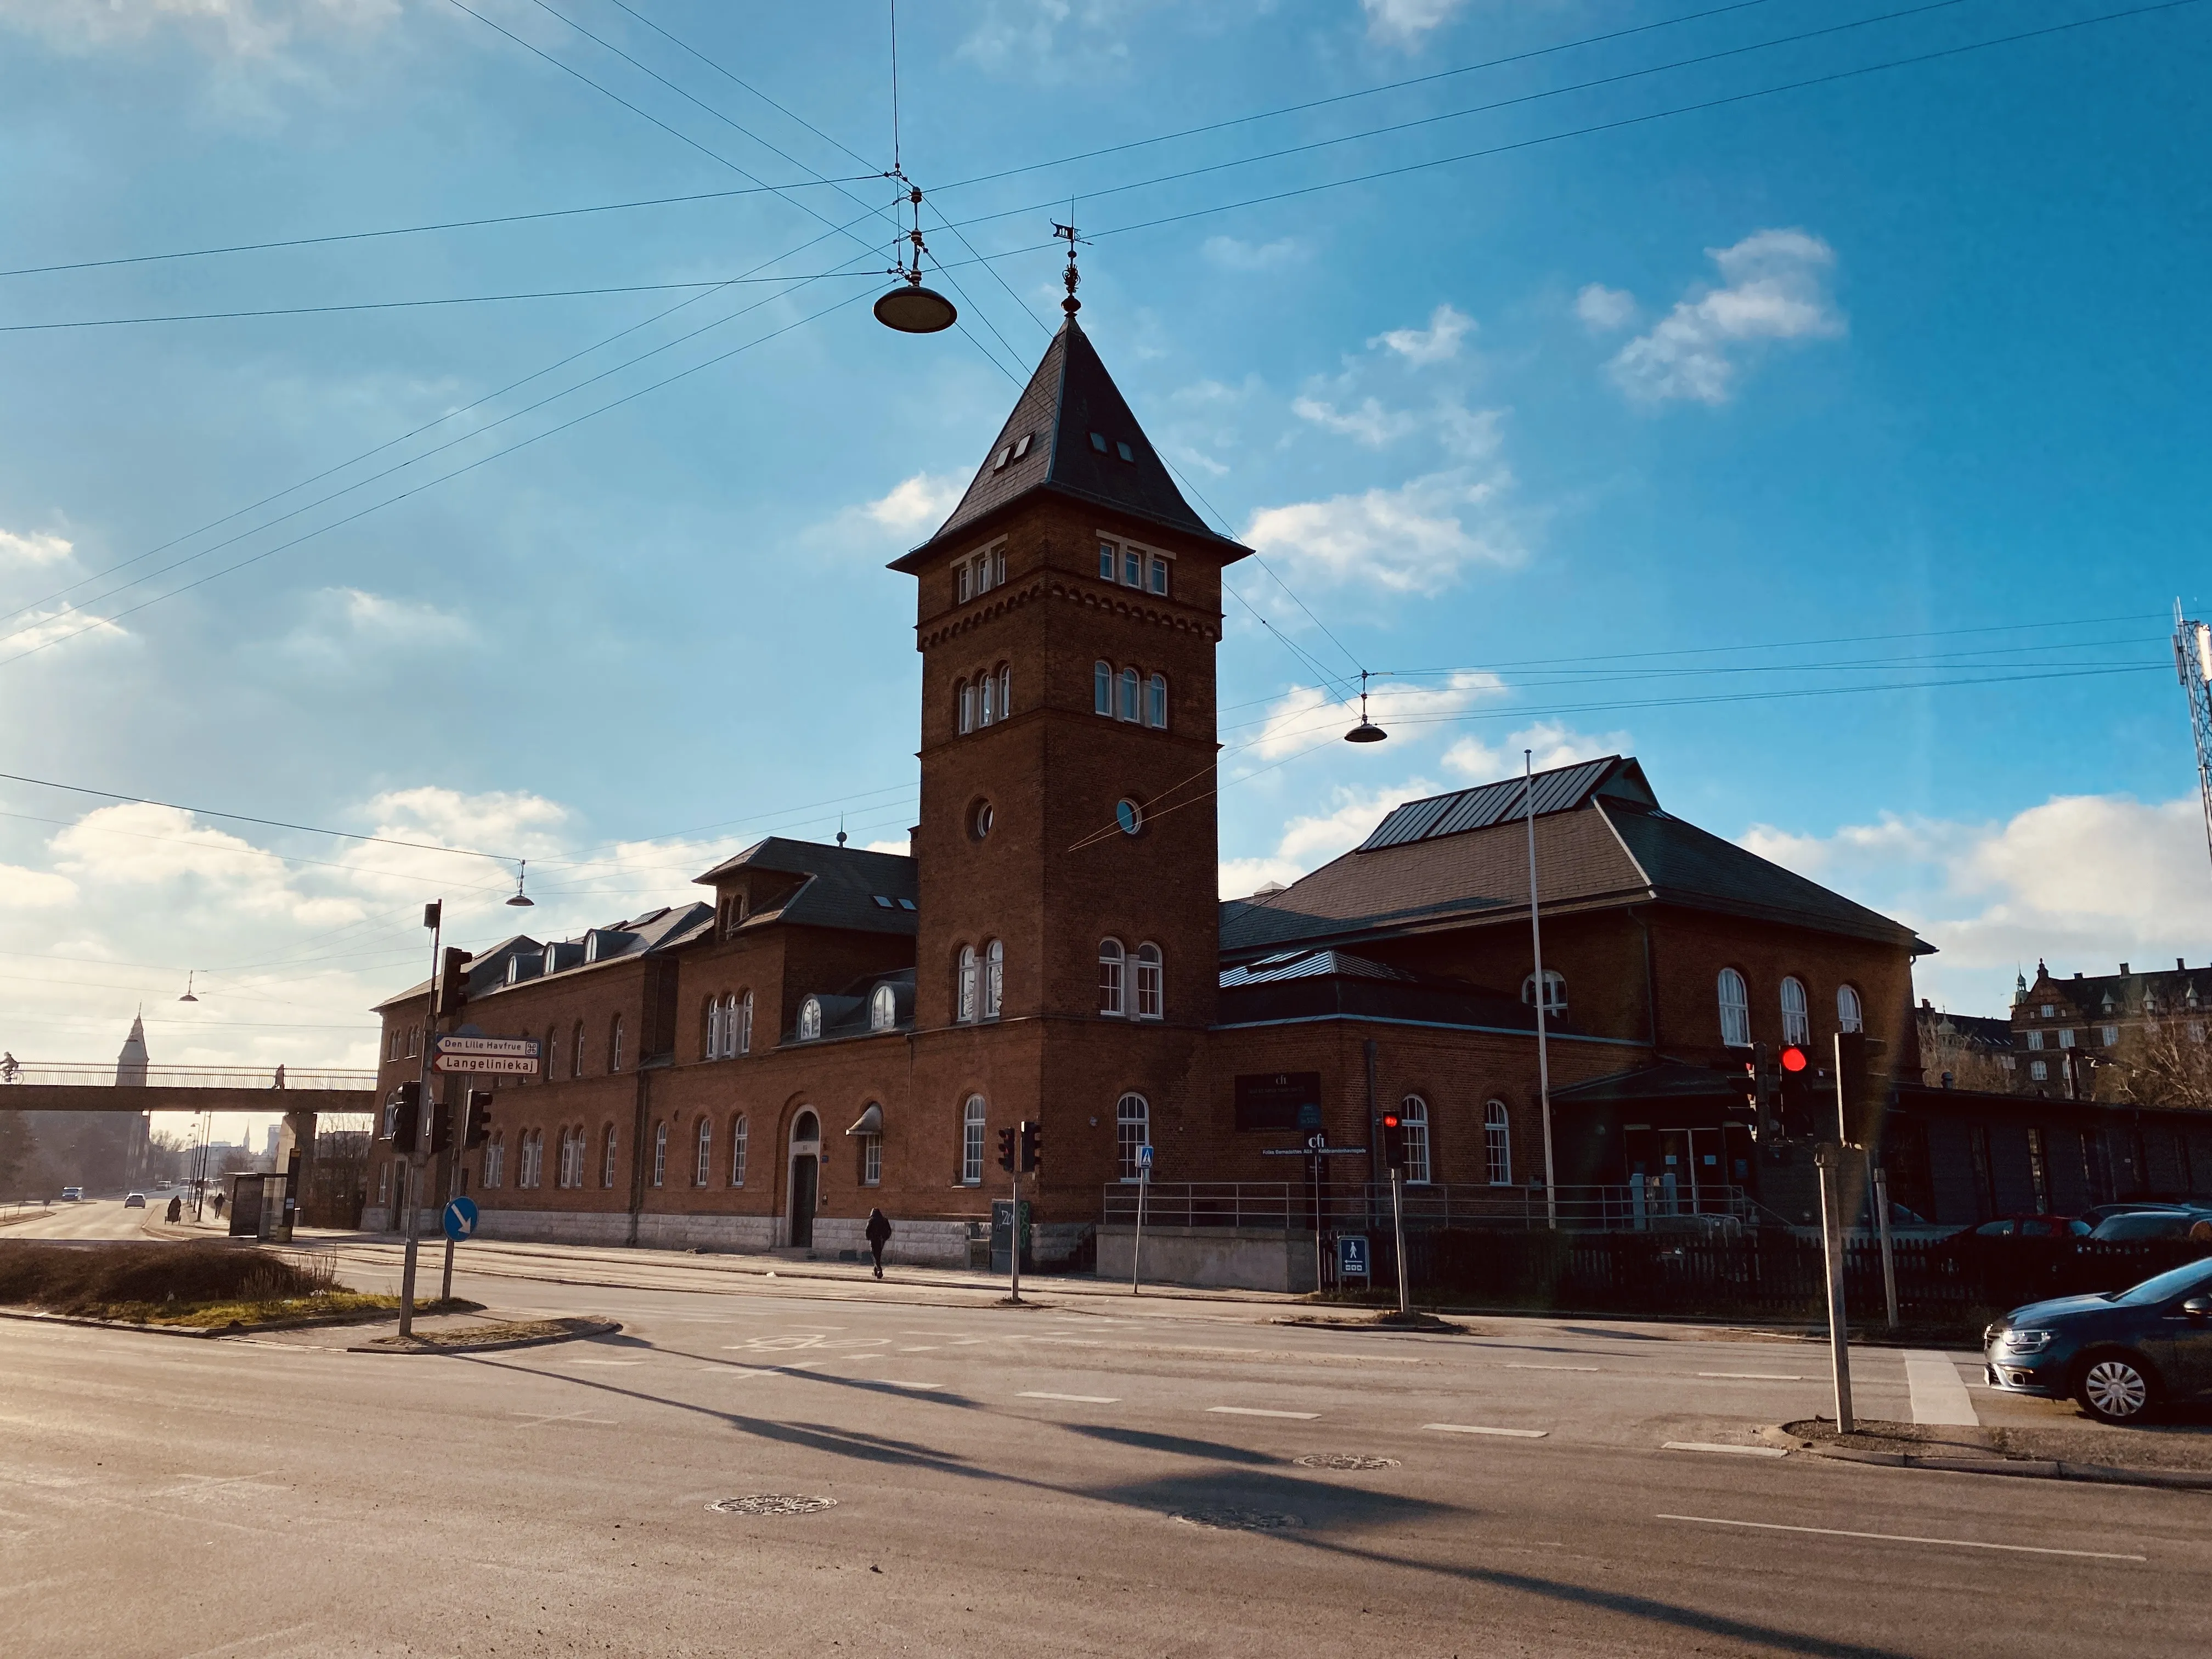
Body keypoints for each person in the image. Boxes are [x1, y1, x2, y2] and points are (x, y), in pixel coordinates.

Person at [865, 1207, 893, 1280]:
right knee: (878, 1255)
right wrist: (885, 1238)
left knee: (874, 1255)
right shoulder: (884, 1220)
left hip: (874, 1240)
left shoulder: (871, 1220)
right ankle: (876, 1270)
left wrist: (868, 1238)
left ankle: (880, 1270)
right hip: (881, 1240)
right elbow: (889, 1230)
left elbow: (867, 1230)